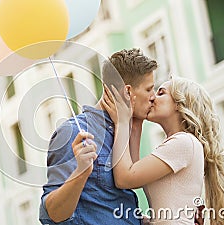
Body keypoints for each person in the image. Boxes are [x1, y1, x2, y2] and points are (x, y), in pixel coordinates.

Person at [39, 48, 158, 224]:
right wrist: (81, 172)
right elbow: (52, 215)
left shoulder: (123, 131)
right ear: (127, 92)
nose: (153, 97)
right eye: (149, 89)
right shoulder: (74, 132)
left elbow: (112, 206)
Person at [101, 77, 224, 225]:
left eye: (161, 93)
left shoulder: (184, 143)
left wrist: (120, 123)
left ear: (180, 104)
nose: (152, 97)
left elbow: (124, 178)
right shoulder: (178, 143)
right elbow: (132, 170)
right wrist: (136, 122)